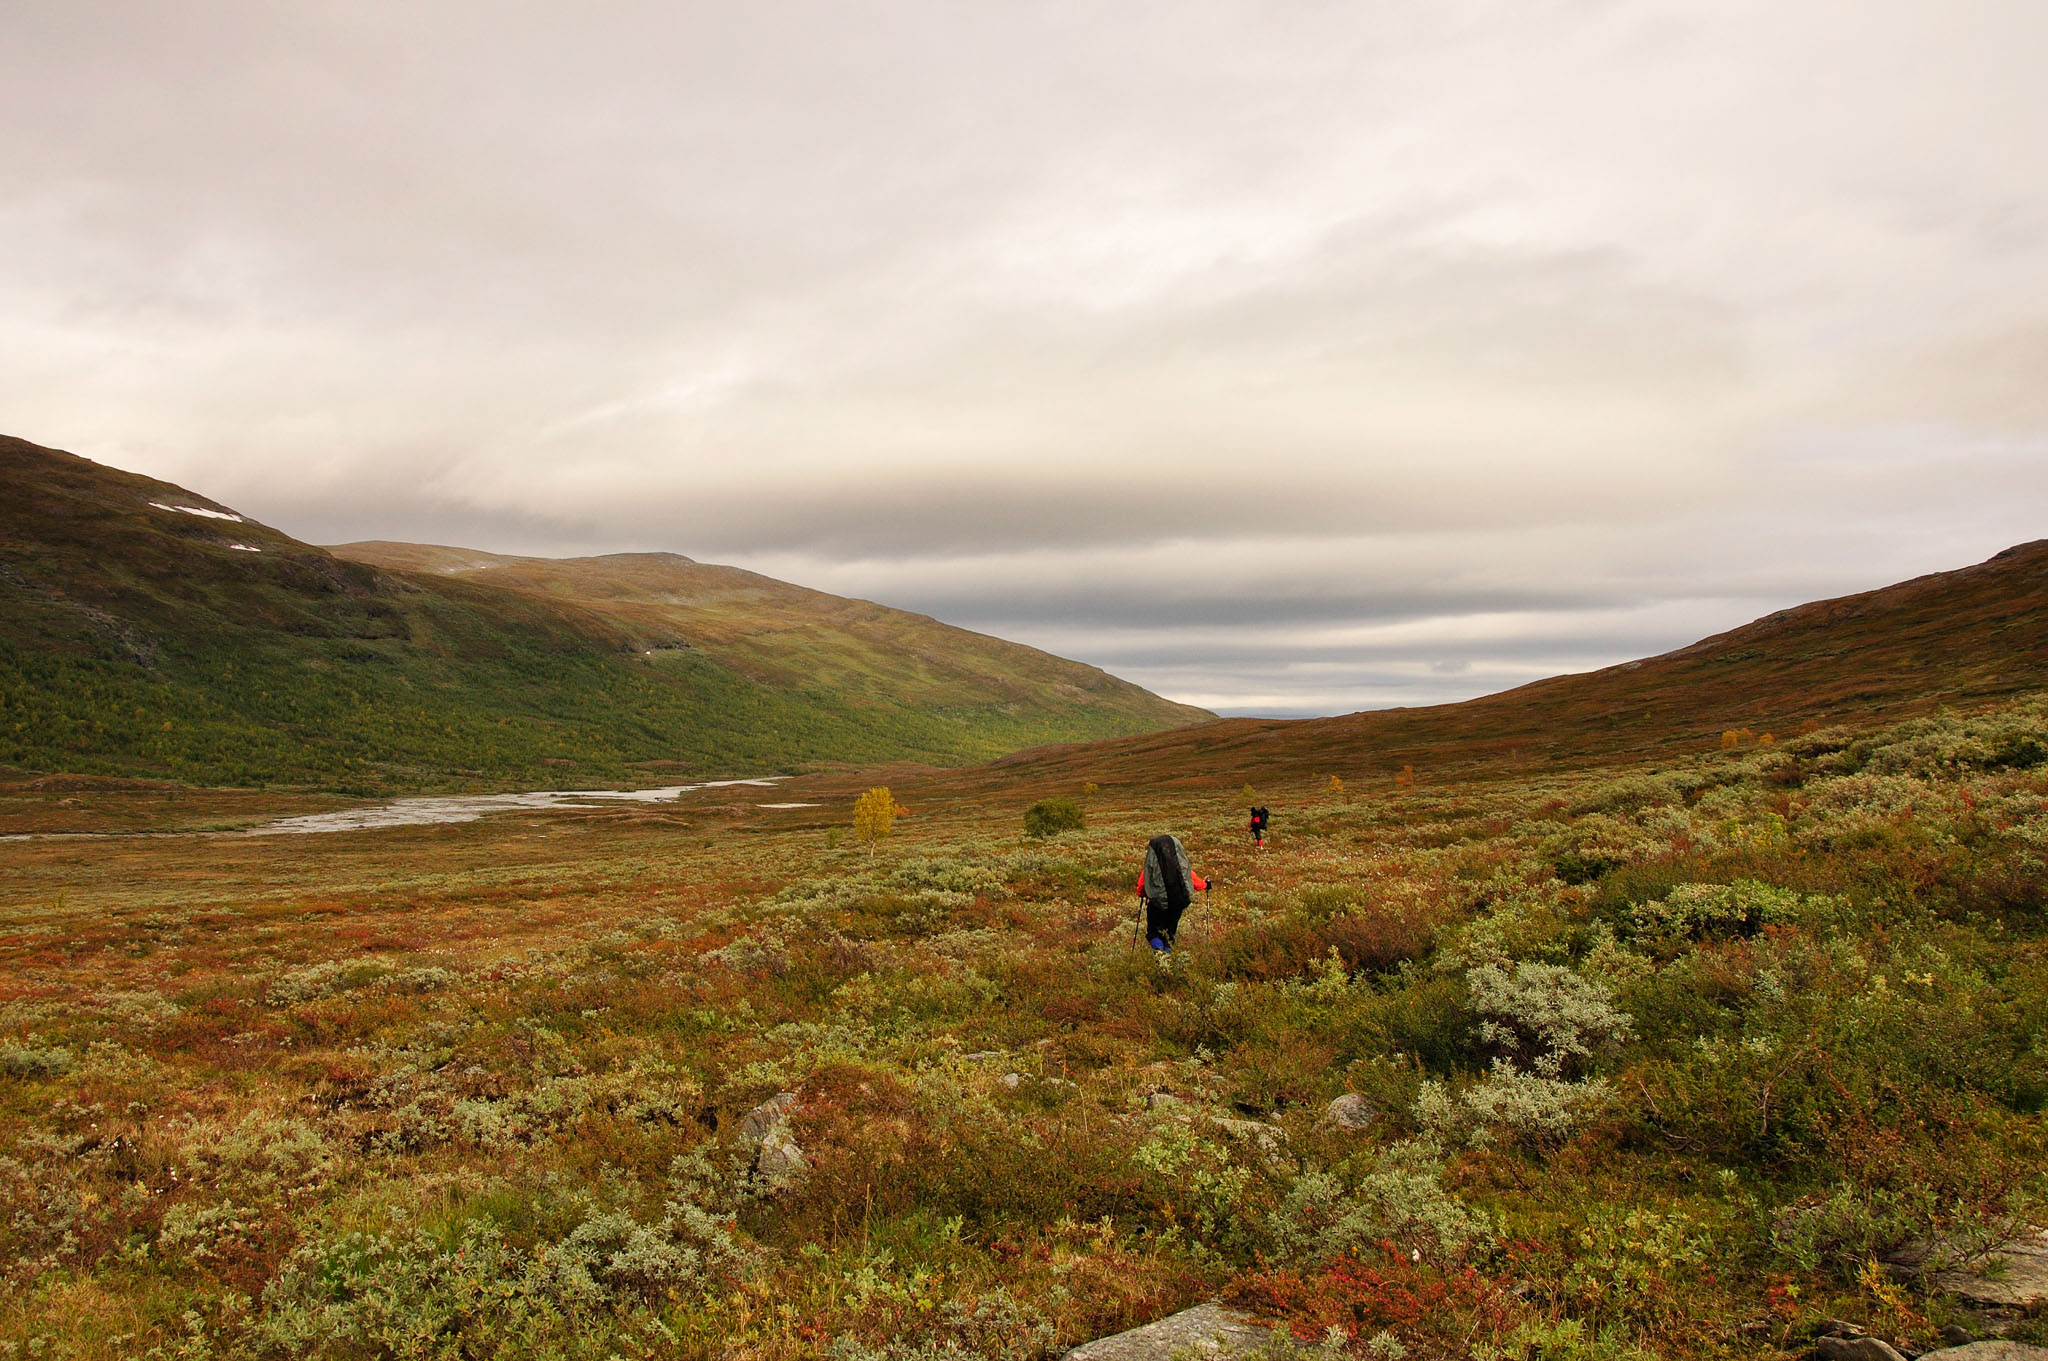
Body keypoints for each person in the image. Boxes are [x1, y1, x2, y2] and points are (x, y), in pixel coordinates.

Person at [1135, 833, 1212, 952]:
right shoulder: (1180, 867)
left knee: (1153, 933)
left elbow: (1141, 888)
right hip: (1177, 905)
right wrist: (1206, 884)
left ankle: (1159, 955)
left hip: (1157, 906)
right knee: (1169, 935)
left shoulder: (1151, 868)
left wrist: (1143, 893)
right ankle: (1167, 959)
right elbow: (1193, 881)